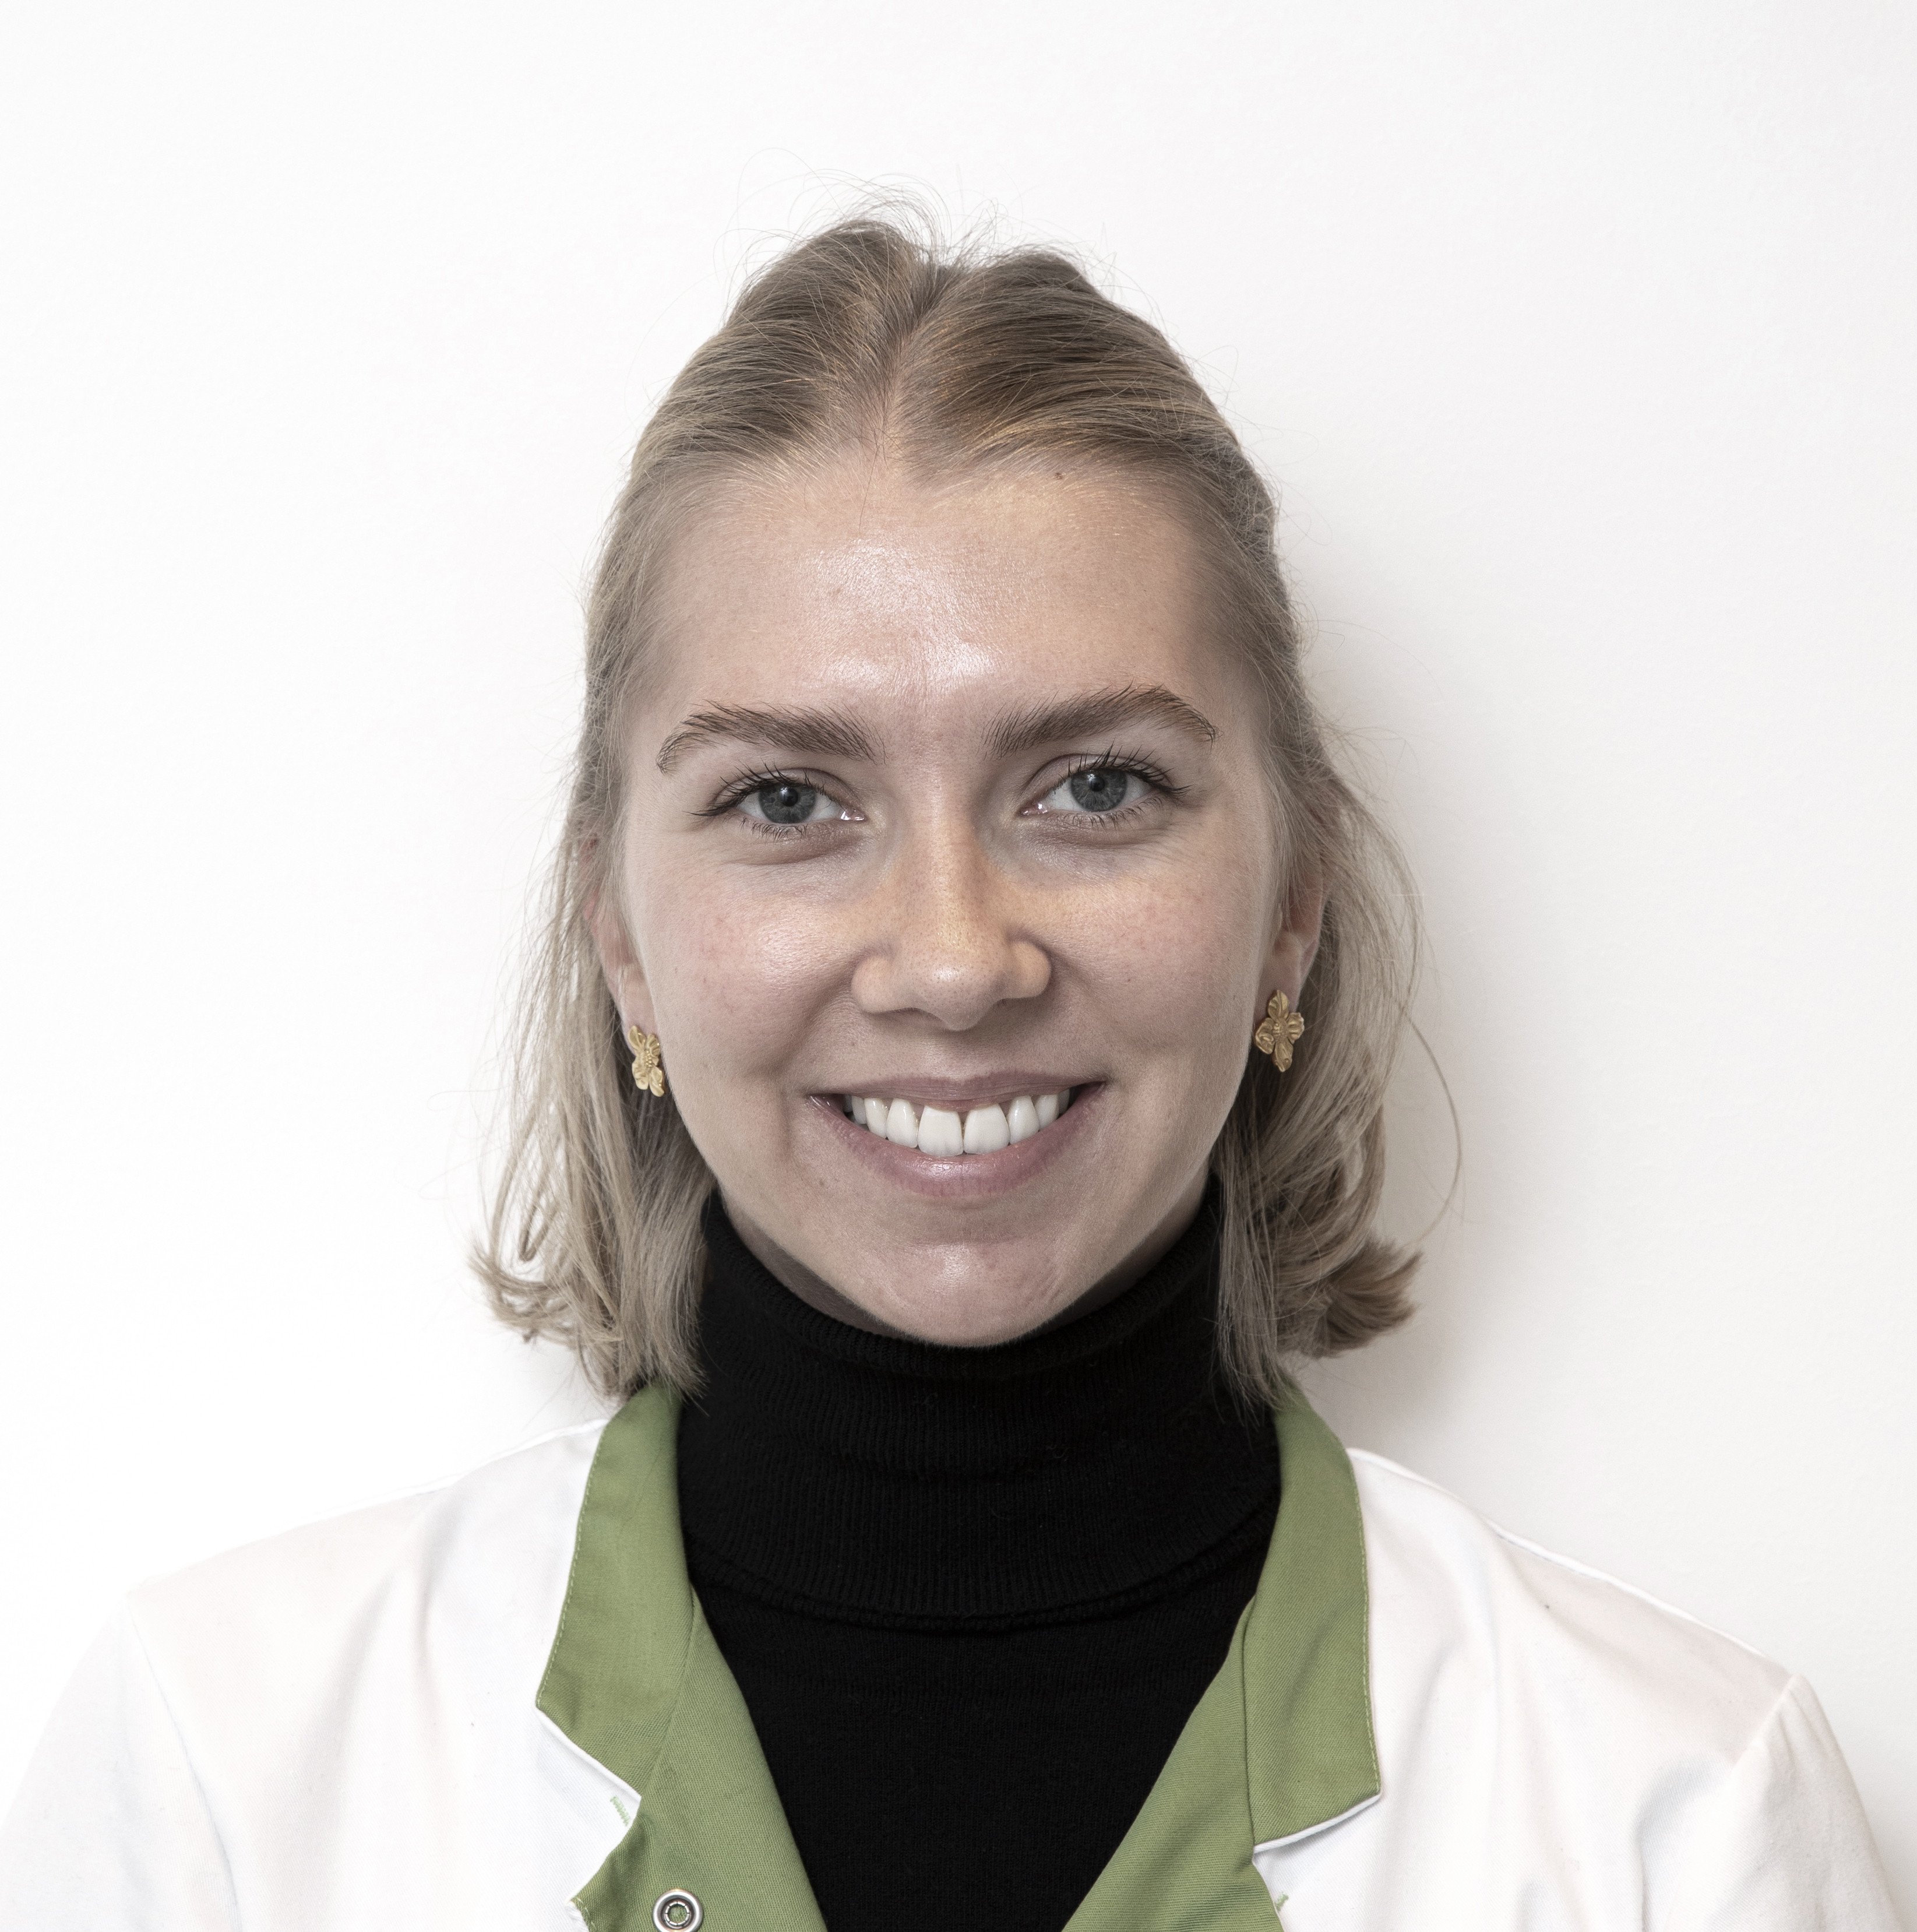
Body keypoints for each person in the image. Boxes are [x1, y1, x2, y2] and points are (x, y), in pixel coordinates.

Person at [0, 214, 1899, 1932]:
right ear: (617, 931)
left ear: (1293, 906)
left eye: (1096, 786)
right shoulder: (228, 1773)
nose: (949, 959)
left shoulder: (1674, 1815)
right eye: (787, 799)